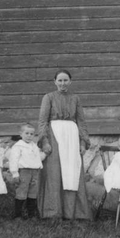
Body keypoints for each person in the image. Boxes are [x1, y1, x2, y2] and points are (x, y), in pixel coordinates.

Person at [36, 70, 93, 221]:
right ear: (55, 81)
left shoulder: (75, 98)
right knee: (54, 173)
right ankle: (53, 212)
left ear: (70, 81)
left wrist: (82, 142)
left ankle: (75, 213)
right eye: (60, 80)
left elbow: (81, 121)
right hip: (55, 135)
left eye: (65, 80)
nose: (62, 83)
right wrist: (45, 141)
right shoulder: (48, 97)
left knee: (72, 173)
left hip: (72, 137)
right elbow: (42, 121)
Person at [8, 123, 46, 219]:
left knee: (33, 193)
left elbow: (38, 158)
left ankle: (31, 214)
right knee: (22, 192)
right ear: (21, 134)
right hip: (24, 172)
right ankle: (18, 214)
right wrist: (15, 173)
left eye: (31, 134)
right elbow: (13, 160)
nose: (29, 136)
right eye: (27, 133)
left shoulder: (34, 146)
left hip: (35, 171)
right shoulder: (18, 146)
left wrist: (45, 154)